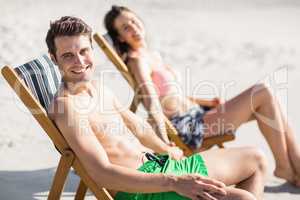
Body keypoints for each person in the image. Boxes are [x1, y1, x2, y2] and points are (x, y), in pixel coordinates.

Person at [46, 16, 266, 200]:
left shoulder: (98, 87)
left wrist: (165, 148)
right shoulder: (67, 108)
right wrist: (174, 182)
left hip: (162, 166)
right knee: (243, 198)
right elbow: (102, 173)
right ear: (54, 59)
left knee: (256, 159)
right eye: (68, 55)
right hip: (140, 189)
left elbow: (138, 126)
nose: (79, 61)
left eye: (84, 51)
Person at [104, 5, 300, 186]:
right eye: (125, 27)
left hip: (199, 113)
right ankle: (284, 167)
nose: (133, 27)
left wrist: (205, 102)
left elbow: (173, 95)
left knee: (269, 100)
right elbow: (152, 103)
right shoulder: (138, 61)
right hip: (188, 126)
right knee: (263, 91)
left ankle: (297, 166)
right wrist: (164, 142)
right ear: (120, 38)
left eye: (133, 21)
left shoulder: (152, 55)